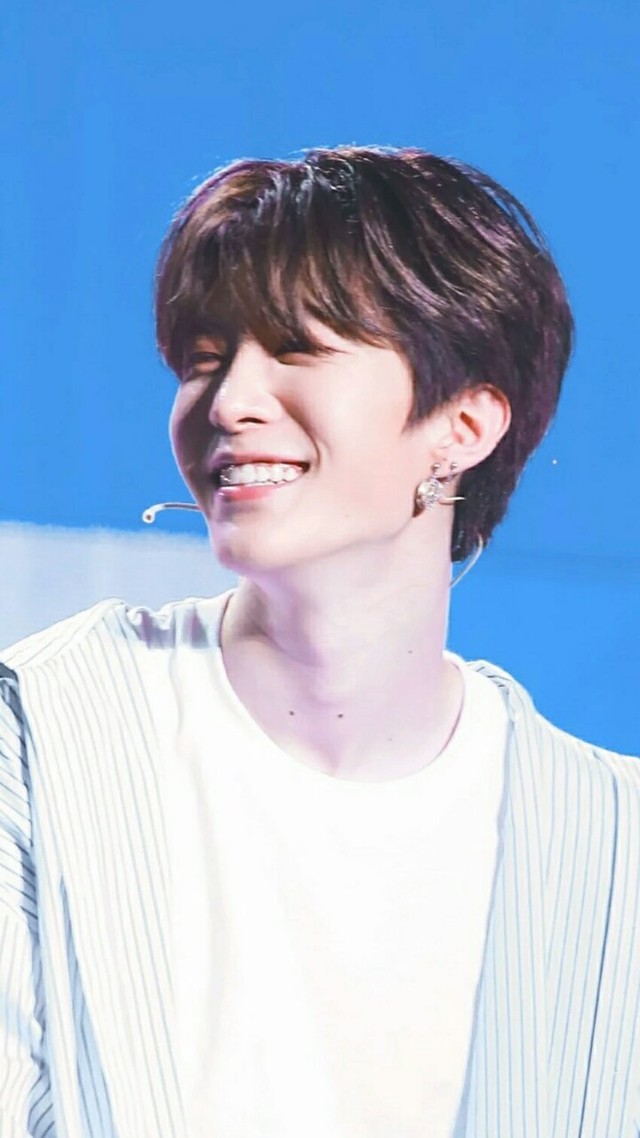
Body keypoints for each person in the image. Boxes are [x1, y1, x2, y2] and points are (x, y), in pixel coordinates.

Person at [1, 146, 638, 1138]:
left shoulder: (611, 842)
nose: (229, 401)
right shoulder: (41, 740)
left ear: (463, 424)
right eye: (205, 358)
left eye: (297, 347)